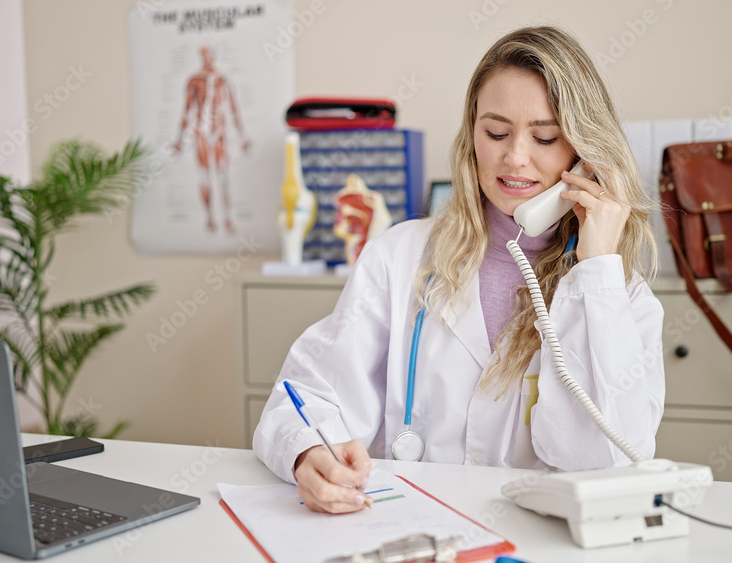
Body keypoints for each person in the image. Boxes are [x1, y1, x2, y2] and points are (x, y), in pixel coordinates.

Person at [254, 25, 664, 514]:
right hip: (406, 531)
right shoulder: (399, 256)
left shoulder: (620, 297)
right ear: (472, 134)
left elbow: (609, 462)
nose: (515, 156)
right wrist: (308, 451)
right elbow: (306, 394)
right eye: (495, 131)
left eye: (546, 136)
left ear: (586, 151)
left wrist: (596, 269)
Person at [172, 45, 251, 233]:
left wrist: (242, 137)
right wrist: (179, 139)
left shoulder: (223, 79)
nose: (208, 58)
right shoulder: (194, 80)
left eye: (210, 54)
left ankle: (228, 218)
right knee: (205, 176)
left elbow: (233, 107)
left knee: (223, 176)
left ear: (214, 56)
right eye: (204, 55)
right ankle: (209, 217)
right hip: (200, 132)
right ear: (201, 56)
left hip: (220, 132)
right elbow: (187, 110)